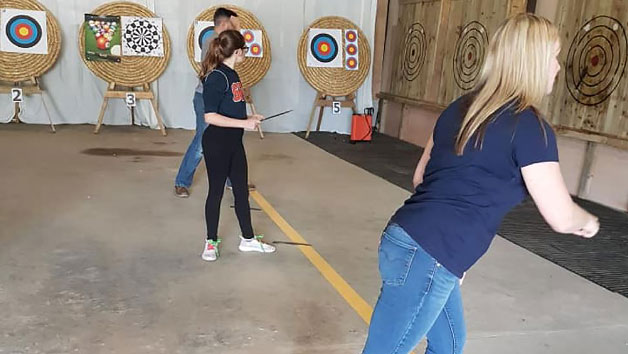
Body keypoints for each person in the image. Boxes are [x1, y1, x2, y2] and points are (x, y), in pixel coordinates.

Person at [362, 14, 600, 354]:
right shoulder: (531, 126)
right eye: (553, 56)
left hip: (412, 241)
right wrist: (588, 222)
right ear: (533, 62)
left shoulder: (461, 108)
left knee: (449, 344)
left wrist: (447, 256)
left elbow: (420, 178)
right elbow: (561, 216)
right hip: (429, 254)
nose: (557, 67)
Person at [199, 30, 276, 261]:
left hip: (233, 143)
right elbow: (210, 117)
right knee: (216, 192)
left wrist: (252, 118)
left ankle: (248, 239)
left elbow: (232, 107)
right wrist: (244, 123)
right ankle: (210, 243)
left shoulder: (233, 74)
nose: (246, 54)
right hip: (216, 143)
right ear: (238, 51)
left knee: (242, 191)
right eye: (245, 50)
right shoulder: (216, 77)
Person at [174, 8, 250, 198]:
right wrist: (237, 27)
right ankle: (182, 181)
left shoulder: (226, 41)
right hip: (205, 99)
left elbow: (238, 47)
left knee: (230, 138)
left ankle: (232, 179)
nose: (237, 29)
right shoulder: (213, 42)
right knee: (202, 141)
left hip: (224, 98)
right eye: (233, 25)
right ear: (225, 24)